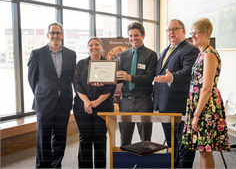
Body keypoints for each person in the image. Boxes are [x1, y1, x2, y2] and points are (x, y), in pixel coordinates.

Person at [182, 18, 231, 169]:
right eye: (192, 33)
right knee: (202, 149)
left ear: (207, 33)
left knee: (205, 149)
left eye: (196, 33)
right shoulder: (201, 53)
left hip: (206, 105)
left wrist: (196, 114)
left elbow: (207, 88)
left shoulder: (209, 54)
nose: (193, 36)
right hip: (200, 103)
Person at [28, 22, 76, 168]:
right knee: (43, 138)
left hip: (64, 102)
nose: (55, 35)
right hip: (44, 102)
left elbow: (72, 78)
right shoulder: (37, 54)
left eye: (58, 33)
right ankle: (42, 166)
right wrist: (42, 93)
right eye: (52, 32)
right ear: (48, 35)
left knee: (60, 137)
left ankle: (56, 165)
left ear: (62, 35)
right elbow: (32, 79)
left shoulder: (71, 54)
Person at [153, 19, 199, 168]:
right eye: (168, 30)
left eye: (175, 29)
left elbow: (188, 72)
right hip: (165, 105)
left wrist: (172, 77)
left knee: (184, 144)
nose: (171, 32)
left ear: (183, 31)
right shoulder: (166, 50)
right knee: (172, 143)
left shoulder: (190, 49)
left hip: (180, 106)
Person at [73, 37, 116, 168]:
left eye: (97, 44)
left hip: (103, 107)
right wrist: (87, 101)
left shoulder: (109, 64)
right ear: (88, 47)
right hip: (82, 107)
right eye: (91, 45)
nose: (94, 47)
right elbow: (76, 84)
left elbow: (111, 87)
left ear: (101, 47)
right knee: (84, 138)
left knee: (100, 139)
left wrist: (97, 102)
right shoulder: (81, 64)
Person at [117, 22, 158, 146]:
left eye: (136, 35)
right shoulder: (123, 55)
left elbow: (149, 78)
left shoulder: (151, 55)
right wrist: (104, 79)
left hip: (143, 101)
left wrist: (129, 77)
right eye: (130, 36)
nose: (133, 38)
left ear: (143, 35)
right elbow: (119, 78)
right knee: (124, 139)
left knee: (145, 139)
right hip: (125, 101)